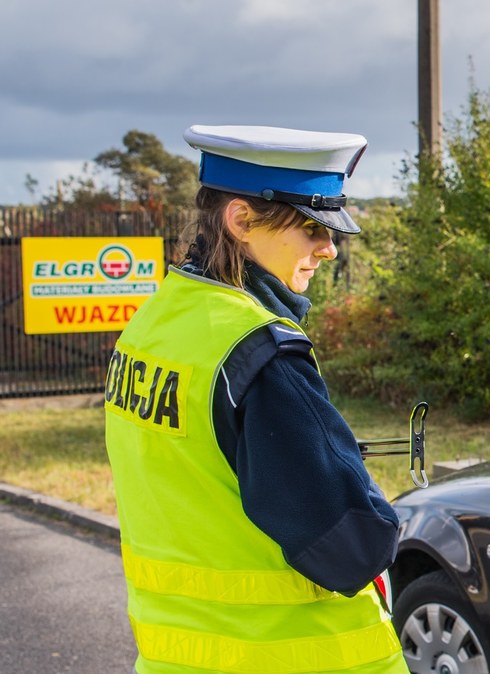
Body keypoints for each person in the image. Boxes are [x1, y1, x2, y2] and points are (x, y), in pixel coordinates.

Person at [103, 125, 408, 674]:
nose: (330, 248)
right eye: (313, 227)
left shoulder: (152, 324)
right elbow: (353, 548)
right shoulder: (260, 354)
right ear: (241, 219)